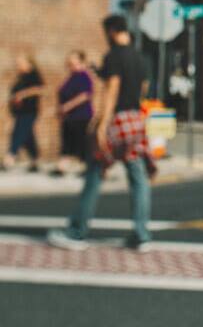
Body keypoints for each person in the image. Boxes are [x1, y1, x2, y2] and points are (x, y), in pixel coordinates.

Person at [48, 14, 154, 252]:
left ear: (113, 31)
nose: (105, 38)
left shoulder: (114, 55)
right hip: (135, 120)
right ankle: (142, 234)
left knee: (94, 174)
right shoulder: (140, 57)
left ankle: (77, 232)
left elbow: (113, 88)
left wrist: (102, 124)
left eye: (106, 33)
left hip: (116, 119)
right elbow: (143, 88)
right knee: (138, 178)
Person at [51, 51, 93, 177]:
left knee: (80, 142)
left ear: (81, 62)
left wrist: (67, 106)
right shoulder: (71, 77)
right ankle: (62, 166)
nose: (70, 64)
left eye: (73, 61)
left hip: (81, 115)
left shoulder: (84, 76)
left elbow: (85, 95)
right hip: (69, 116)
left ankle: (87, 166)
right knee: (67, 142)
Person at [4, 53, 45, 171]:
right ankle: (35, 160)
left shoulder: (33, 75)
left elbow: (40, 89)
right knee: (27, 136)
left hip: (29, 111)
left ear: (29, 63)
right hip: (20, 112)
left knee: (18, 133)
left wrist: (22, 94)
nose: (17, 65)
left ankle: (10, 158)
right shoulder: (20, 77)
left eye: (20, 63)